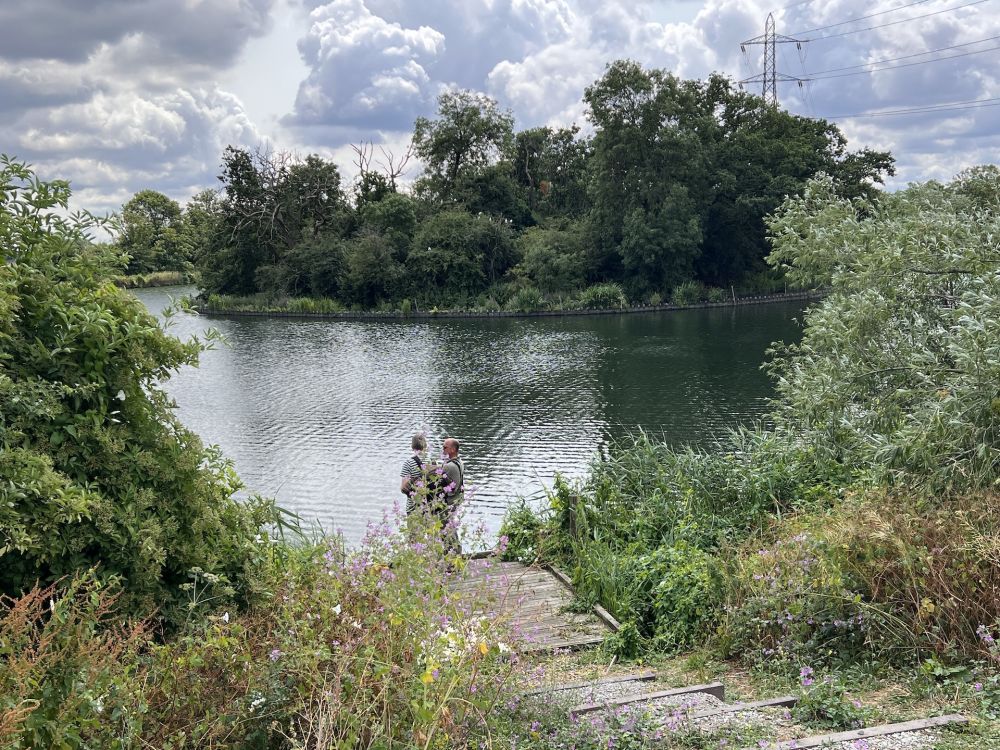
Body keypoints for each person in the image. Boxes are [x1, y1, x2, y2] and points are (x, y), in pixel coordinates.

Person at [400, 433, 428, 514]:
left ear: (412, 446)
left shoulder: (408, 463)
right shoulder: (432, 461)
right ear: (425, 445)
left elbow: (403, 488)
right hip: (430, 508)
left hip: (414, 508)